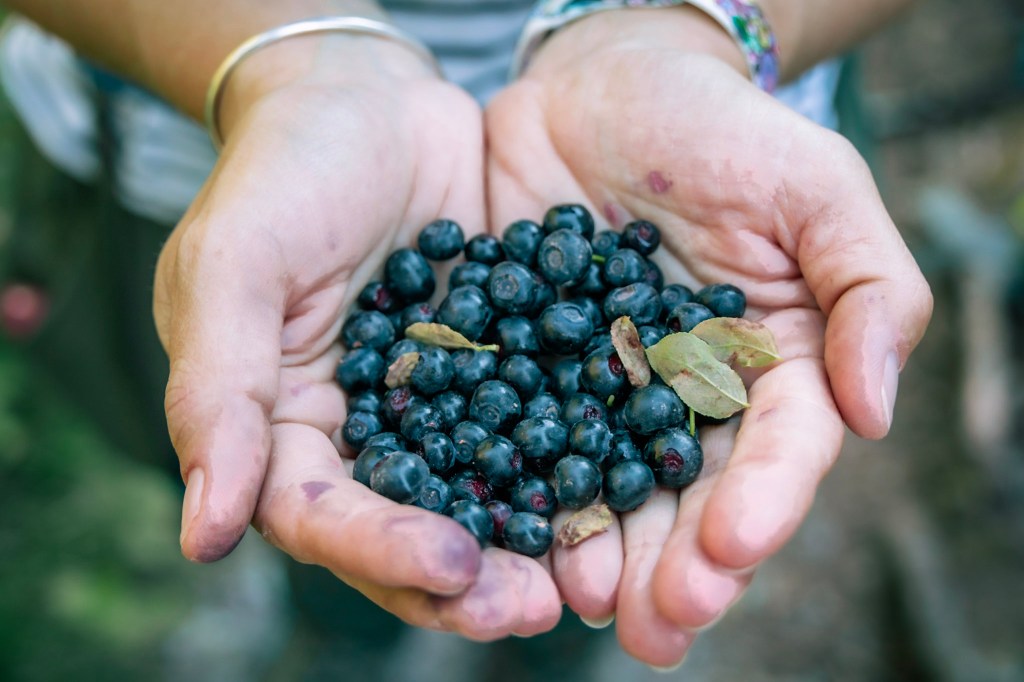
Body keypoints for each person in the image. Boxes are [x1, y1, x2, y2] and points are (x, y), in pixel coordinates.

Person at [1, 0, 932, 669]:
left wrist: (698, 22)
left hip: (701, 164)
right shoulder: (413, 340)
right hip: (240, 194)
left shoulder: (574, 352)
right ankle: (339, 640)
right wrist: (282, 64)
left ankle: (543, 654)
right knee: (319, 513)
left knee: (571, 578)